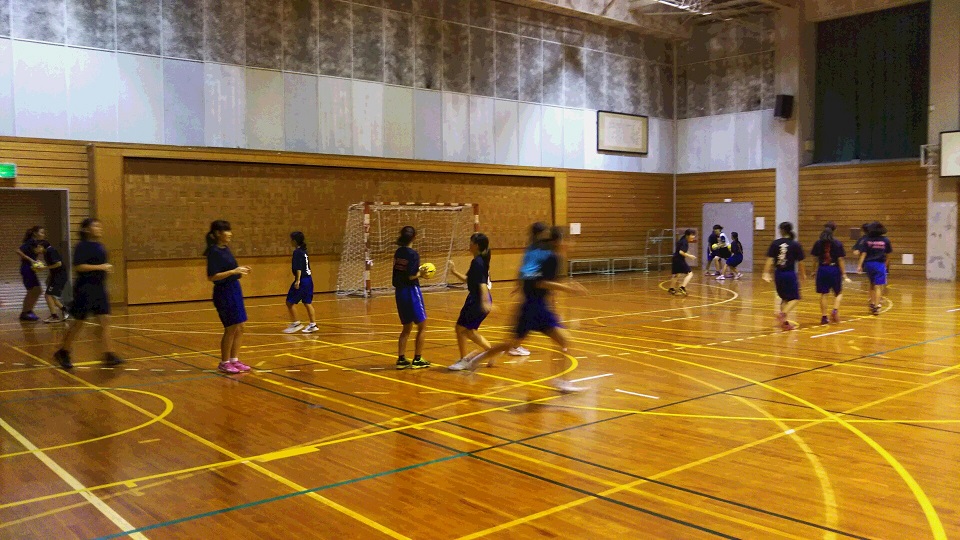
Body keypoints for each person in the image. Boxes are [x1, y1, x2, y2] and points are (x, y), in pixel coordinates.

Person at [464, 227, 588, 393]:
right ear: (559, 241)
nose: (571, 243)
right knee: (513, 344)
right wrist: (568, 288)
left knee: (557, 341)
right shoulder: (551, 258)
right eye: (568, 240)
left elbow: (527, 275)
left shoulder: (545, 255)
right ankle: (561, 382)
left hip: (536, 306)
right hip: (533, 308)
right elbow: (540, 282)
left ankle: (562, 381)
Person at [53, 219, 123, 369]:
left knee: (105, 321)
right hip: (84, 289)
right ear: (86, 229)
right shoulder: (82, 246)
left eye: (100, 225)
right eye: (95, 225)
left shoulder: (100, 246)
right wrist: (101, 267)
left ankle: (109, 354)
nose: (99, 228)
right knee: (78, 323)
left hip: (99, 288)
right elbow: (79, 267)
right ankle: (63, 351)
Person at [205, 220, 252, 374]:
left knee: (240, 327)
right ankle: (224, 362)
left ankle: (234, 360)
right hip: (224, 292)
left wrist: (241, 270)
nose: (230, 234)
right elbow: (212, 276)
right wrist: (233, 271)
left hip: (234, 289)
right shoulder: (213, 251)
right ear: (218, 233)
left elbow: (231, 269)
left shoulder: (226, 249)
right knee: (230, 328)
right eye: (227, 231)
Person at [447, 233, 494, 371]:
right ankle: (492, 351)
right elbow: (468, 280)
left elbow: (482, 284)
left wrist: (485, 302)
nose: (469, 244)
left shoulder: (478, 262)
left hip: (478, 300)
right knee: (469, 331)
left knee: (460, 329)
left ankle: (464, 360)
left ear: (477, 245)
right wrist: (454, 272)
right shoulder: (478, 261)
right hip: (475, 298)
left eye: (471, 242)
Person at [507, 222, 552, 357]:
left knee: (525, 316)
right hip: (533, 286)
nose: (547, 234)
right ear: (540, 233)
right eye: (545, 232)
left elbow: (523, 268)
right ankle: (512, 346)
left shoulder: (533, 247)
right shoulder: (537, 250)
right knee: (527, 317)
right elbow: (526, 269)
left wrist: (518, 284)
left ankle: (512, 345)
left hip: (530, 285)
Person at [394, 226, 430, 369]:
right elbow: (411, 276)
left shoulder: (398, 252)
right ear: (415, 237)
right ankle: (417, 359)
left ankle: (401, 359)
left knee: (406, 327)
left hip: (399, 292)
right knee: (422, 326)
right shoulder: (413, 254)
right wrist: (422, 274)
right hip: (411, 291)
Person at [762, 222, 806, 330]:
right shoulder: (795, 244)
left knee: (784, 299)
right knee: (795, 298)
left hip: (778, 274)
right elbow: (801, 262)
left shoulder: (775, 243)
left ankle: (784, 323)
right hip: (789, 274)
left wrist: (765, 272)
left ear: (781, 230)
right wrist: (803, 275)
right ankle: (783, 314)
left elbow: (770, 260)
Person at [811, 222, 849, 324]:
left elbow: (815, 259)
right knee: (838, 293)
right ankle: (835, 310)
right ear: (834, 231)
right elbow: (840, 259)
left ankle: (824, 317)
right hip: (834, 269)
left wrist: (814, 271)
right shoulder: (837, 243)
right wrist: (844, 273)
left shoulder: (818, 243)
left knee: (824, 294)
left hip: (822, 269)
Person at [283, 231, 318, 334]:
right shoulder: (304, 251)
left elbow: (298, 268)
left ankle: (296, 323)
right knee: (307, 302)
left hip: (302, 280)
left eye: (291, 240)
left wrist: (297, 280)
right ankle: (313, 324)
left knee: (289, 302)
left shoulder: (297, 252)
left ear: (294, 241)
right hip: (308, 279)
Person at [857, 221, 892, 316]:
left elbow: (863, 254)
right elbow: (888, 255)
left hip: (868, 264)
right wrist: (886, 266)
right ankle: (876, 307)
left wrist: (859, 265)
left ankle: (872, 303)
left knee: (872, 284)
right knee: (878, 286)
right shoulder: (885, 240)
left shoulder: (867, 240)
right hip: (879, 264)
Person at [16, 226, 46, 321]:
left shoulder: (36, 243)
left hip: (30, 269)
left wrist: (37, 261)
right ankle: (25, 312)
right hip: (26, 269)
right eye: (41, 232)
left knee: (37, 290)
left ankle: (28, 311)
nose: (43, 235)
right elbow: (18, 250)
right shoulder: (31, 241)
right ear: (35, 233)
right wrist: (31, 260)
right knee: (34, 290)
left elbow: (33, 253)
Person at [38, 241, 69, 323]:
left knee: (48, 295)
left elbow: (58, 264)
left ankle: (54, 316)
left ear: (42, 246)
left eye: (38, 247)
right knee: (51, 296)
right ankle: (65, 310)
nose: (37, 249)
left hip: (59, 277)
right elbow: (53, 267)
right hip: (55, 277)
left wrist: (44, 268)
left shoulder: (51, 251)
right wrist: (50, 276)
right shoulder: (46, 253)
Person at [669, 229, 697, 296]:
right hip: (679, 260)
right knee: (690, 274)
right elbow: (681, 252)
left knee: (677, 274)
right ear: (687, 235)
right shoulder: (684, 242)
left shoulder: (682, 239)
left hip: (675, 259)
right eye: (692, 235)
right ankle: (682, 287)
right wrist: (690, 256)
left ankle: (671, 288)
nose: (693, 236)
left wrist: (688, 253)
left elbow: (682, 250)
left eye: (694, 235)